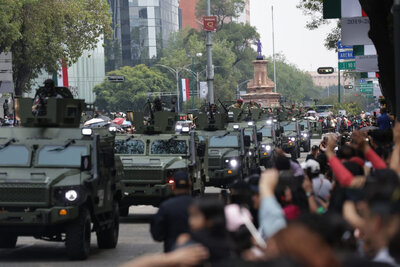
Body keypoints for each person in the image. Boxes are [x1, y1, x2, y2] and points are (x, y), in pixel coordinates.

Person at [150, 170, 193, 252]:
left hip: (172, 254)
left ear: (173, 186)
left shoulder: (166, 207)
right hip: (194, 255)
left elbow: (157, 235)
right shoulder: (199, 206)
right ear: (190, 185)